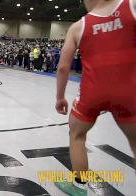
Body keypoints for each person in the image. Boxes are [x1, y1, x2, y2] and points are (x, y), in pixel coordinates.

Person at [55, 0, 136, 195]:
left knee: (77, 135)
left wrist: (60, 97)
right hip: (129, 90)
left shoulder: (78, 27)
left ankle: (79, 187)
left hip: (92, 92)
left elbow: (63, 67)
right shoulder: (131, 7)